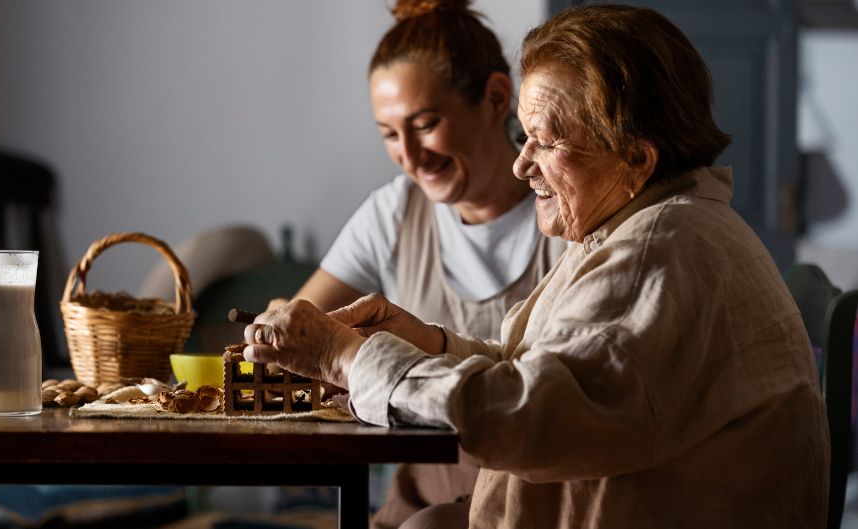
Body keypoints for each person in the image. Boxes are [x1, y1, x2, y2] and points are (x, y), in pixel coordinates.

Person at [246, 4, 828, 528]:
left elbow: (531, 417)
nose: (522, 165)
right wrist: (429, 342)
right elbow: (548, 371)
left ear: (636, 158)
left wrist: (344, 357)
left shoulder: (657, 251)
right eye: (524, 138)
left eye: (546, 142)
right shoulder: (639, 228)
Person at [270, 1, 565, 526]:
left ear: (496, 98)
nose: (409, 155)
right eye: (389, 134)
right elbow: (302, 325)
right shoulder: (394, 213)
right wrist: (283, 328)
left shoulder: (570, 214)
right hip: (414, 506)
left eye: (426, 124)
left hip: (536, 509)